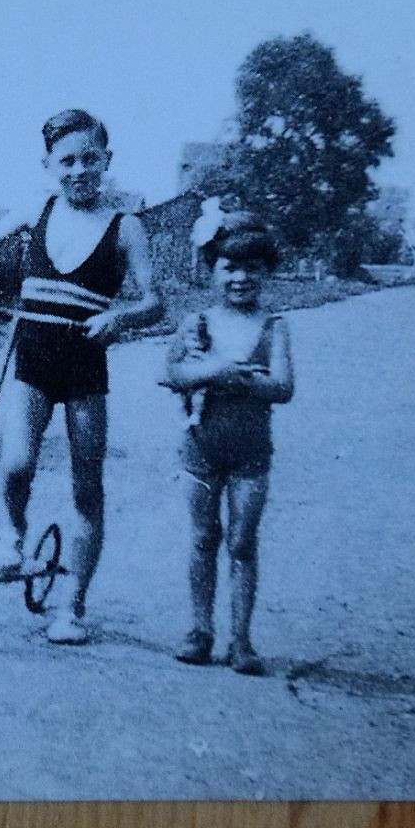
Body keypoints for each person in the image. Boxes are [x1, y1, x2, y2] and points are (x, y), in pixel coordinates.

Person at [0, 108, 162, 644]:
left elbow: (155, 302)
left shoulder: (127, 228)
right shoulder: (41, 208)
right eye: (68, 161)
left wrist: (119, 318)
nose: (80, 171)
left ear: (108, 161)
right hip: (31, 356)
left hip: (84, 362)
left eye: (90, 160)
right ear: (49, 165)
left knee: (86, 486)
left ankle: (71, 608)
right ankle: (13, 532)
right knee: (14, 463)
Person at [163, 216, 294, 675]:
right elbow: (171, 373)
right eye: (229, 268)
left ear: (266, 272)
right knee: (203, 538)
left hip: (251, 453)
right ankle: (200, 630)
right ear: (211, 270)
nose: (241, 278)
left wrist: (239, 380)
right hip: (201, 448)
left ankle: (241, 639)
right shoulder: (197, 323)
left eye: (252, 268)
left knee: (241, 541)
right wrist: (210, 372)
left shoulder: (273, 327)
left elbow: (283, 386)